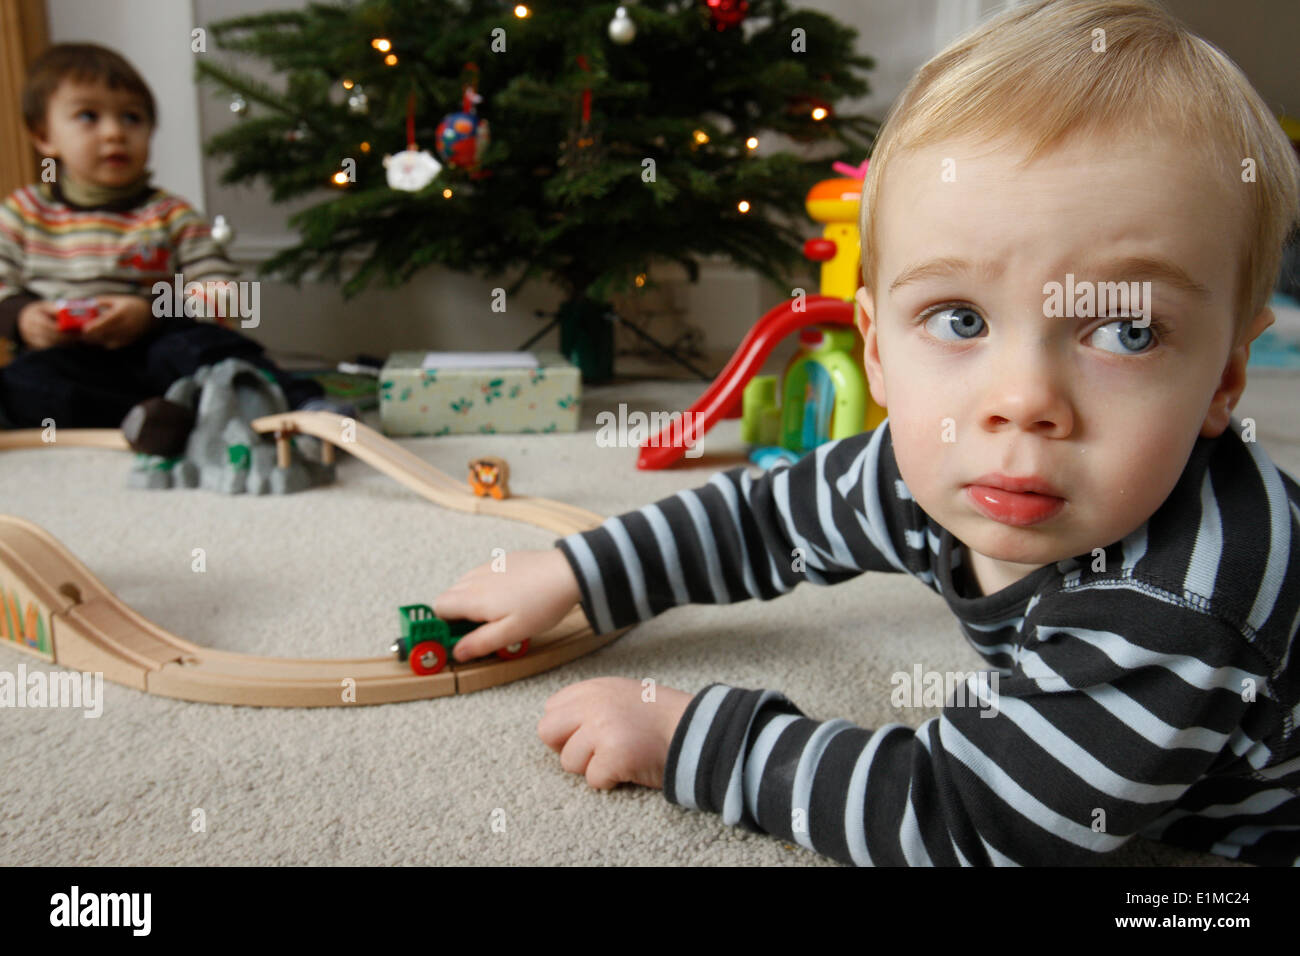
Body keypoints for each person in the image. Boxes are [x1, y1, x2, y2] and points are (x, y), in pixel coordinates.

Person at [433, 0, 1300, 867]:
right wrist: (578, 573)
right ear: (877, 352)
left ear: (1225, 377)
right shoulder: (936, 456)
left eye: (1126, 331)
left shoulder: (1186, 598)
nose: (1024, 401)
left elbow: (970, 820)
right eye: (960, 319)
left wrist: (690, 739)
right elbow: (765, 519)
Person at [0, 43, 352, 431]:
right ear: (43, 135)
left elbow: (225, 295)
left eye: (132, 118)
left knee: (207, 349)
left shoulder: (171, 214)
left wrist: (149, 313)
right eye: (88, 116)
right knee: (27, 381)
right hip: (71, 361)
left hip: (158, 352)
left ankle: (300, 405)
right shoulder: (23, 213)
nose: (115, 133)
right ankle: (155, 420)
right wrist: (24, 317)